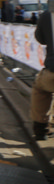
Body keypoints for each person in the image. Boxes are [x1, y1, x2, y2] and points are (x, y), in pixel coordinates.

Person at [30, 10, 54, 142]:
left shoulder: (48, 14)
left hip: (52, 69)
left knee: (40, 90)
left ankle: (41, 129)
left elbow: (40, 39)